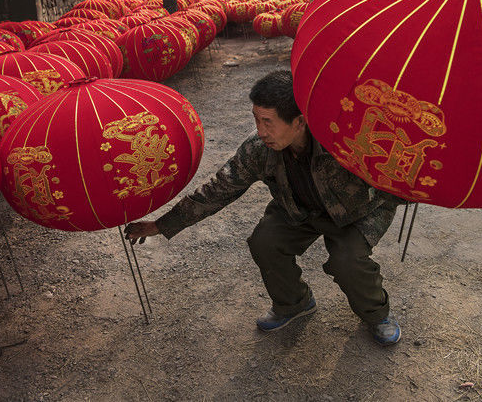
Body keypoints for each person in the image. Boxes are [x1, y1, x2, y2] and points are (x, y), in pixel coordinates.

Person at [125, 70, 404, 345]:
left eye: (268, 122)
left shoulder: (343, 140)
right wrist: (161, 225)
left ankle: (376, 315)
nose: (261, 131)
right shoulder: (259, 148)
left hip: (357, 212)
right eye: (257, 120)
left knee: (347, 261)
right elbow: (220, 188)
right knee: (265, 242)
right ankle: (294, 303)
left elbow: (394, 171)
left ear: (299, 122)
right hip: (298, 209)